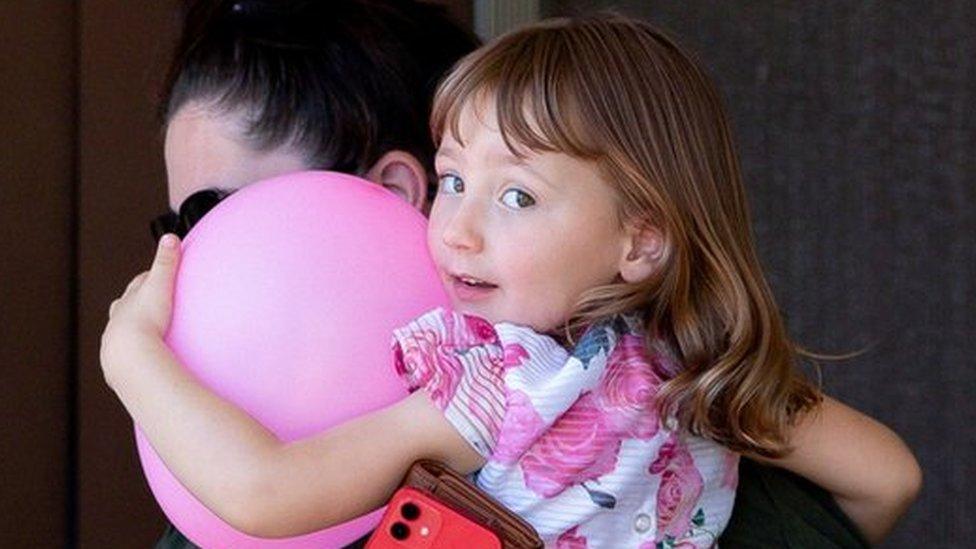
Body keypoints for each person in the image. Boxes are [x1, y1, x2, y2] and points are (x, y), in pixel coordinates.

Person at [126, 9, 920, 548]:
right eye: (454, 181)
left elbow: (264, 492)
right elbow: (888, 477)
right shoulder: (698, 369)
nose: (460, 228)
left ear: (641, 240)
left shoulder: (502, 386)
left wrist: (133, 356)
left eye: (518, 196)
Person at [146, 0, 478, 547]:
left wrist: (130, 356)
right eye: (176, 226)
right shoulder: (211, 476)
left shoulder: (533, 415)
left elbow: (262, 491)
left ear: (389, 194)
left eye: (210, 212)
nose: (190, 253)